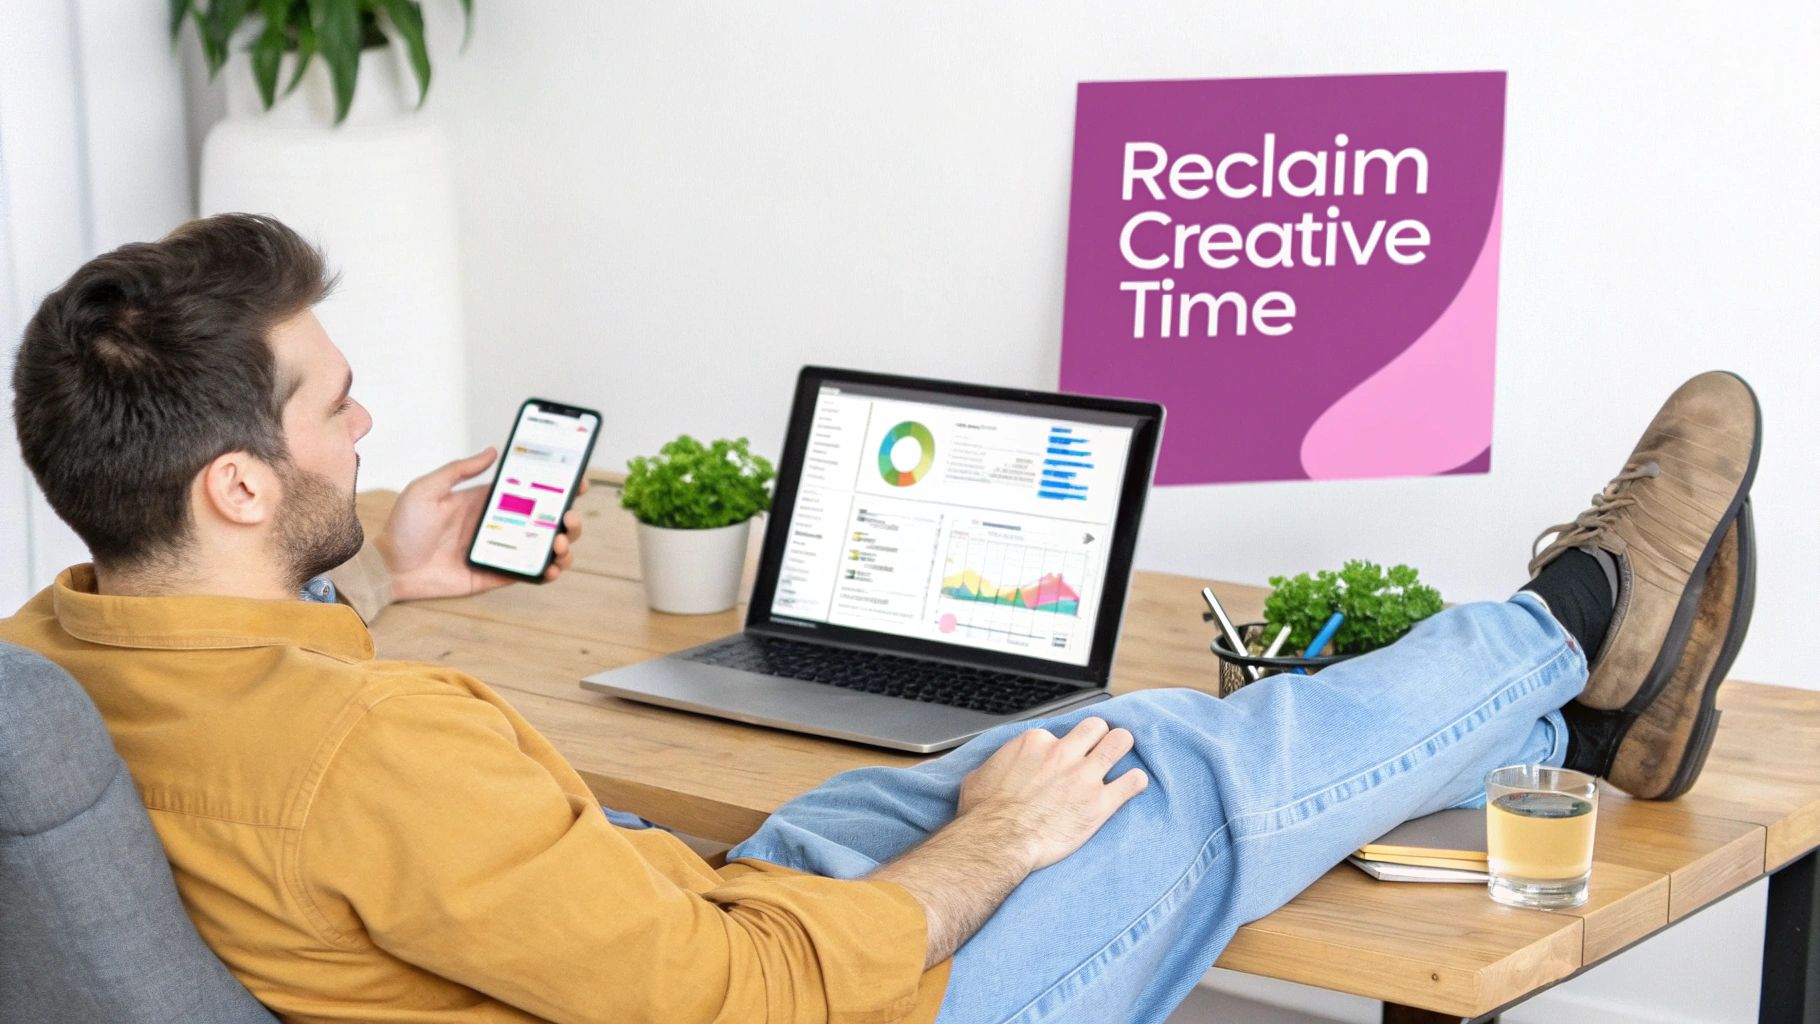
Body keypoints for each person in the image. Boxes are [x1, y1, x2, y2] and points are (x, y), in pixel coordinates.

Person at [1, 214, 1761, 1024]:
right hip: (743, 1004)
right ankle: (1567, 630)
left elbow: (292, 747)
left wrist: (381, 567)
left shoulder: (48, 653)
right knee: (1152, 768)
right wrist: (985, 858)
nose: (369, 433)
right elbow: (730, 995)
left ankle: (1575, 716)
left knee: (1031, 747)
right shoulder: (370, 750)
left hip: (609, 926)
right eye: (333, 413)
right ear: (235, 488)